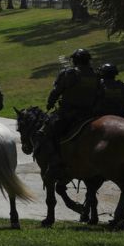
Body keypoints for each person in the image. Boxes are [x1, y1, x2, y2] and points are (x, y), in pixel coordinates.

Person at [38, 48, 100, 180]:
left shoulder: (70, 73)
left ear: (75, 60)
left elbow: (56, 91)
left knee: (45, 132)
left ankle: (54, 161)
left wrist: (50, 103)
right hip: (90, 114)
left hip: (68, 113)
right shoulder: (95, 74)